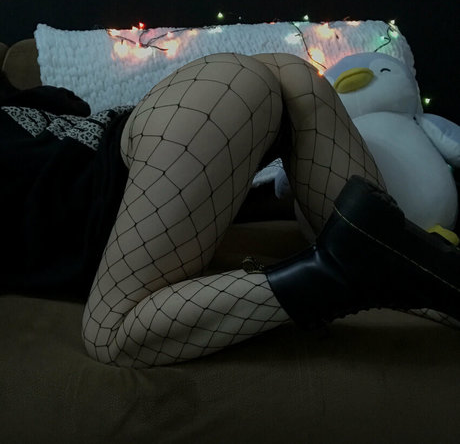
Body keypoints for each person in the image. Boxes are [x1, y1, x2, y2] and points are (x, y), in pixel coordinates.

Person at [1, 52, 459, 368]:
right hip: (219, 95)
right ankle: (423, 265)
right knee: (387, 247)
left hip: (177, 126)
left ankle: (339, 269)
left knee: (110, 333)